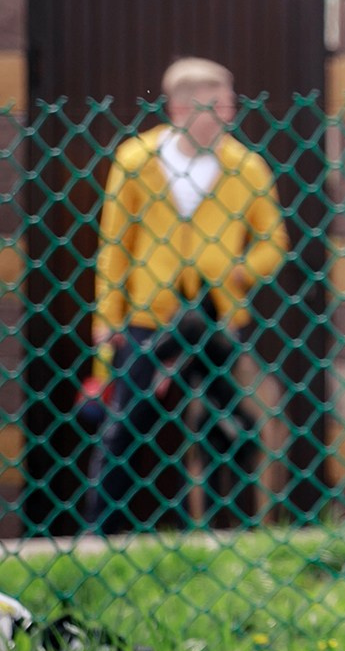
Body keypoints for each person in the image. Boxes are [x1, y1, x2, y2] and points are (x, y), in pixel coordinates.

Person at [89, 57, 284, 533]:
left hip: (218, 316)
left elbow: (274, 241)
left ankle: (233, 529)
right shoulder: (135, 161)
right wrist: (106, 316)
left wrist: (240, 271)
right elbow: (114, 245)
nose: (227, 115)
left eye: (230, 104)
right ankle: (99, 535)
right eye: (216, 104)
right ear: (179, 107)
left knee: (231, 422)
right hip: (150, 314)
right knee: (126, 425)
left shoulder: (246, 167)